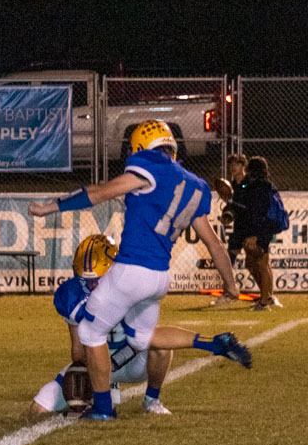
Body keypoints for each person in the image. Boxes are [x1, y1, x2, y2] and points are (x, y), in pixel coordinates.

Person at [28, 120, 240, 421]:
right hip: (159, 277)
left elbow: (100, 193)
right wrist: (231, 285)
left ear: (141, 146)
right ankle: (211, 343)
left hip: (131, 269)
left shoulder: (148, 165)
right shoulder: (195, 185)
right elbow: (214, 243)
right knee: (142, 338)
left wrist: (50, 207)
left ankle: (103, 410)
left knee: (90, 331)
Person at [32, 234, 252, 416]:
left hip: (133, 361)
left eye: (96, 280)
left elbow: (147, 338)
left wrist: (115, 362)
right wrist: (84, 377)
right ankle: (103, 397)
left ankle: (151, 400)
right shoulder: (70, 295)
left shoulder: (131, 286)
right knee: (39, 408)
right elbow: (78, 352)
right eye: (85, 280)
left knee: (161, 348)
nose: (90, 286)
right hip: (96, 364)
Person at [232, 156, 282, 310]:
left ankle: (265, 301)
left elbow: (258, 213)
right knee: (255, 263)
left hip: (260, 230)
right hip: (264, 229)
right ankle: (267, 296)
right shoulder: (266, 185)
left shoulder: (258, 188)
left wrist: (255, 235)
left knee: (261, 263)